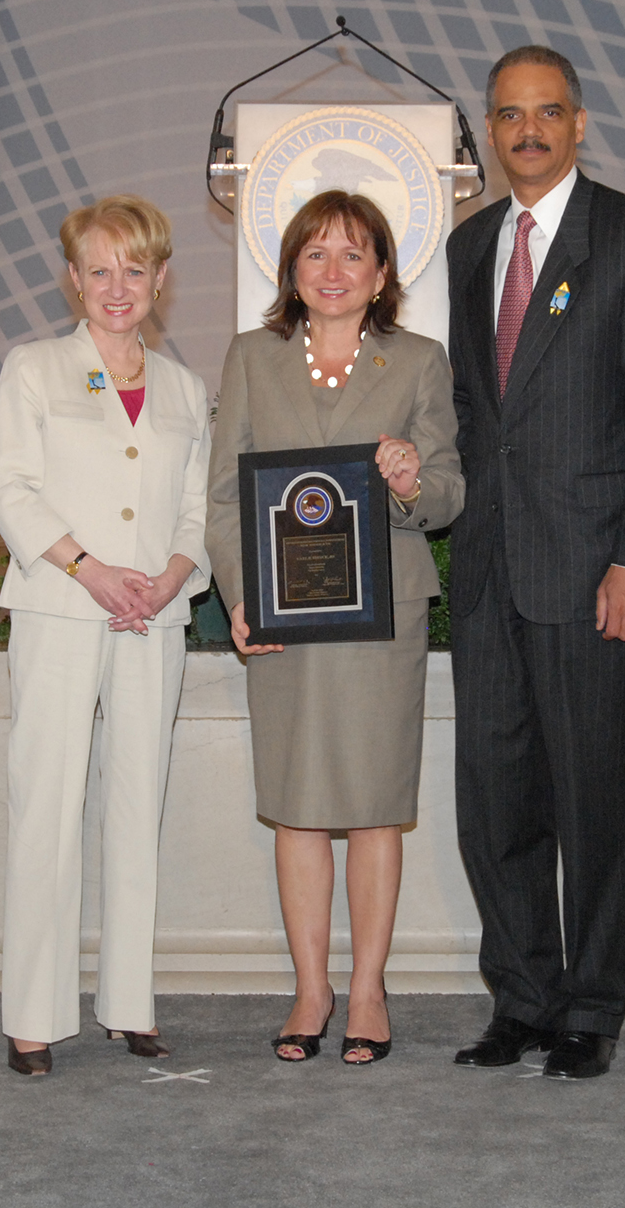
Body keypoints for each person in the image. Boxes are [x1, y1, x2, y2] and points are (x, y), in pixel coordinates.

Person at [446, 47, 625, 1080]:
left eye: (548, 112)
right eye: (510, 114)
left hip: (594, 572)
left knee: (591, 800)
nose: (529, 131)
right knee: (496, 802)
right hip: (488, 572)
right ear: (490, 129)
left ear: (579, 124)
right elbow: (472, 412)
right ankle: (523, 996)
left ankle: (589, 1005)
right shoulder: (468, 246)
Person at [206, 191, 464, 1066]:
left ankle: (368, 990)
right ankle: (311, 988)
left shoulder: (420, 362)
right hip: (284, 614)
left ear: (382, 273)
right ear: (290, 270)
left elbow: (448, 494)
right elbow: (224, 496)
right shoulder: (251, 356)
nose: (333, 270)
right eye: (315, 253)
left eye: (353, 254)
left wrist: (408, 479)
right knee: (299, 806)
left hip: (380, 615)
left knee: (375, 805)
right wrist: (240, 595)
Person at [0, 196, 212, 1077]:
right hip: (61, 605)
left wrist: (172, 574)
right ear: (72, 279)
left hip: (153, 613)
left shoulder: (185, 388)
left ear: (162, 278)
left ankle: (129, 1003)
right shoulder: (36, 368)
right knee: (46, 803)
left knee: (137, 803)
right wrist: (89, 568)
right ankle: (33, 1015)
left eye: (136, 269)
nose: (119, 287)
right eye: (100, 270)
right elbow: (9, 489)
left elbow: (197, 508)